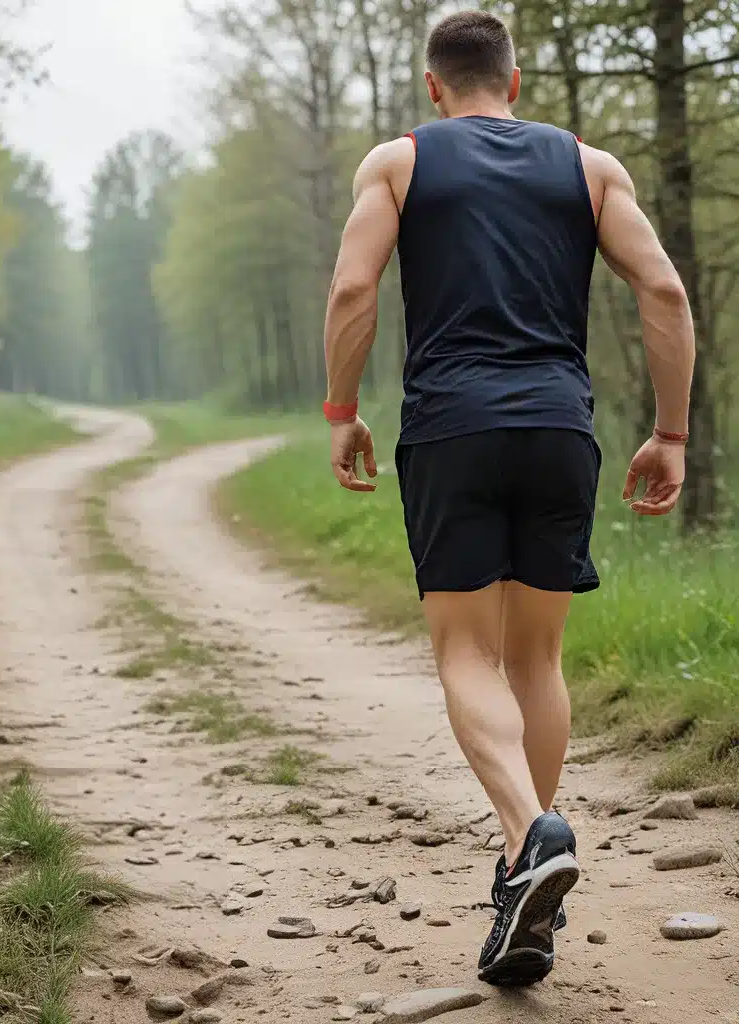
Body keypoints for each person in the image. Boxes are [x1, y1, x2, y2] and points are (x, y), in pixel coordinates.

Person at [321, 8, 695, 989]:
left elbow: (353, 290)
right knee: (534, 654)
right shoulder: (589, 166)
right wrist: (671, 432)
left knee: (464, 650)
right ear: (516, 82)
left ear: (435, 87)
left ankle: (531, 834)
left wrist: (340, 409)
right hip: (559, 430)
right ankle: (517, 871)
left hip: (451, 428)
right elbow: (663, 292)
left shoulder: (400, 162)